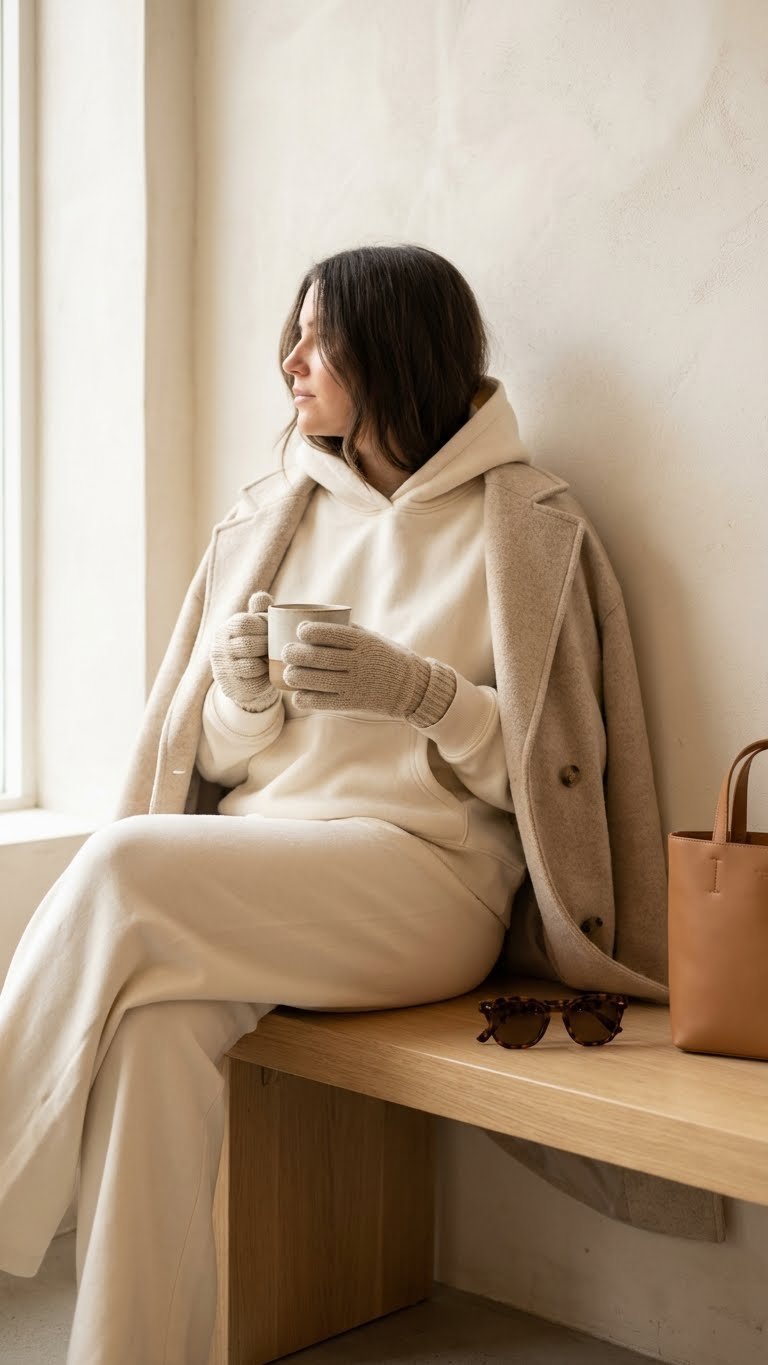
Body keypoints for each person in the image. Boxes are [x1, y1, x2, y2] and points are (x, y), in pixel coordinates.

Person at [0, 243, 709, 1365]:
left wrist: (425, 698)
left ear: (393, 348)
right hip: (256, 874)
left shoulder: (525, 527)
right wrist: (240, 704)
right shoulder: (273, 516)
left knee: (124, 862)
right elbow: (226, 767)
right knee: (151, 1032)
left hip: (424, 889)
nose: (288, 360)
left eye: (316, 336)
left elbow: (555, 783)